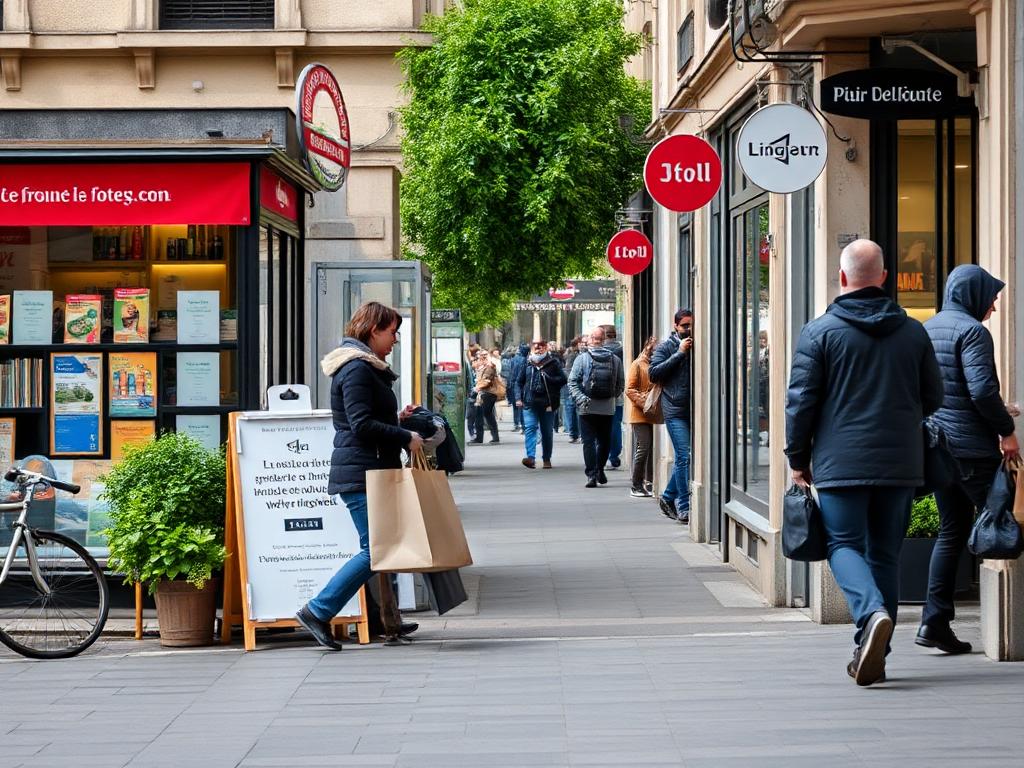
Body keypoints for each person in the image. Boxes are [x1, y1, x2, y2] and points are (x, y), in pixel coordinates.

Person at [785, 239, 943, 686]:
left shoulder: (819, 332)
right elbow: (934, 396)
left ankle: (870, 615)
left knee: (843, 545)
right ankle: (874, 651)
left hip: (840, 462)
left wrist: (798, 458)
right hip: (900, 461)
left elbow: (801, 403)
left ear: (842, 278)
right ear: (885, 276)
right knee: (886, 556)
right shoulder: (913, 331)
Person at [296, 301, 425, 650]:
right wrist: (405, 437)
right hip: (361, 472)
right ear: (373, 331)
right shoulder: (356, 369)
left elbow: (366, 418)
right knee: (377, 550)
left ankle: (387, 621)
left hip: (370, 468)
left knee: (384, 547)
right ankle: (317, 610)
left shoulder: (365, 367)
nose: (395, 339)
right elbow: (360, 424)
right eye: (392, 331)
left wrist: (398, 419)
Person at [919, 265, 1020, 654]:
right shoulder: (973, 331)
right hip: (973, 452)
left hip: (940, 450)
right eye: (991, 298)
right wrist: (1005, 430)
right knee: (1007, 521)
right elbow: (979, 390)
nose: (993, 307)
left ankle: (934, 622)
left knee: (951, 532)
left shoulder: (928, 329)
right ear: (974, 295)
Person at [649, 309, 694, 523]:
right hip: (674, 409)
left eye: (691, 325)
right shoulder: (666, 346)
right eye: (685, 326)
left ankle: (667, 496)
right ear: (676, 326)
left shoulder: (697, 343)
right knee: (684, 456)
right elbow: (654, 373)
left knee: (687, 458)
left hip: (694, 410)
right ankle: (683, 506)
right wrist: (679, 354)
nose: (688, 329)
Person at [568, 326, 625, 488]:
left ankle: (591, 475)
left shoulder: (582, 358)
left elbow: (572, 381)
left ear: (592, 339)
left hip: (586, 407)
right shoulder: (615, 359)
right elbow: (621, 383)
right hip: (607, 407)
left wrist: (581, 398)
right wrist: (611, 397)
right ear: (604, 339)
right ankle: (600, 468)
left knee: (588, 442)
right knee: (604, 441)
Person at [515, 338, 567, 469]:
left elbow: (563, 380)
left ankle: (546, 459)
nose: (538, 348)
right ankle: (531, 458)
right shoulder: (527, 363)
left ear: (546, 347)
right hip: (529, 403)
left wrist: (549, 378)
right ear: (532, 348)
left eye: (541, 345)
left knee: (547, 432)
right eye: (535, 346)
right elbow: (518, 382)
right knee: (530, 428)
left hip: (548, 404)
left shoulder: (553, 362)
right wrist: (518, 398)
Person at [626, 336, 659, 498]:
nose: (654, 351)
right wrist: (646, 403)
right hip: (640, 413)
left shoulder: (656, 365)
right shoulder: (638, 364)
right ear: (647, 347)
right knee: (643, 448)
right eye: (653, 347)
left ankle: (648, 481)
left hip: (654, 413)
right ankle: (636, 484)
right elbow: (630, 389)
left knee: (649, 448)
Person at [600, 324, 625, 469]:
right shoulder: (623, 350)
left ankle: (602, 455)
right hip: (617, 397)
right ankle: (614, 456)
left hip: (598, 398)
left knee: (600, 427)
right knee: (615, 426)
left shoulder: (596, 352)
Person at [471, 349, 501, 444]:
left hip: (487, 393)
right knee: (485, 415)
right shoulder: (482, 367)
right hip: (484, 393)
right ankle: (489, 437)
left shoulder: (489, 367)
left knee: (484, 415)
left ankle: (484, 438)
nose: (478, 360)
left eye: (479, 358)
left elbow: (486, 380)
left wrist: (477, 387)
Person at [562, 337, 583, 443]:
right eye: (581, 343)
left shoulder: (578, 355)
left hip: (577, 386)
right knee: (572, 410)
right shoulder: (572, 356)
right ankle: (574, 434)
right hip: (573, 386)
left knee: (577, 410)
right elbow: (568, 371)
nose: (583, 345)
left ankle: (577, 434)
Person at [505, 343, 529, 433]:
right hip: (521, 384)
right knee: (522, 406)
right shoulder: (525, 360)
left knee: (516, 406)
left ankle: (517, 424)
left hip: (513, 384)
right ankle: (523, 425)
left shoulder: (514, 359)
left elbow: (511, 372)